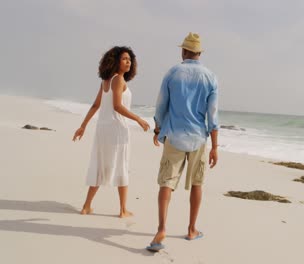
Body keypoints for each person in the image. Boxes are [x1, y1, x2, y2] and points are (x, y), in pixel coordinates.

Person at [146, 33, 219, 252]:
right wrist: (215, 146)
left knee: (166, 182)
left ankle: (161, 229)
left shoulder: (172, 73)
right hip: (198, 138)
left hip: (174, 135)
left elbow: (161, 105)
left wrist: (158, 128)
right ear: (199, 53)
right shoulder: (210, 77)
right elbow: (213, 116)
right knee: (197, 184)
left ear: (183, 51)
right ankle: (191, 229)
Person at [73, 46, 150, 218]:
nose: (128, 62)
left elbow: (96, 105)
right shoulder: (118, 80)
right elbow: (117, 106)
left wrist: (83, 126)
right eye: (124, 59)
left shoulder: (106, 80)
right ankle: (123, 210)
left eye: (130, 59)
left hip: (103, 129)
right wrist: (138, 119)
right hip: (117, 129)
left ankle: (86, 206)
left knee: (100, 166)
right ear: (115, 61)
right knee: (122, 165)